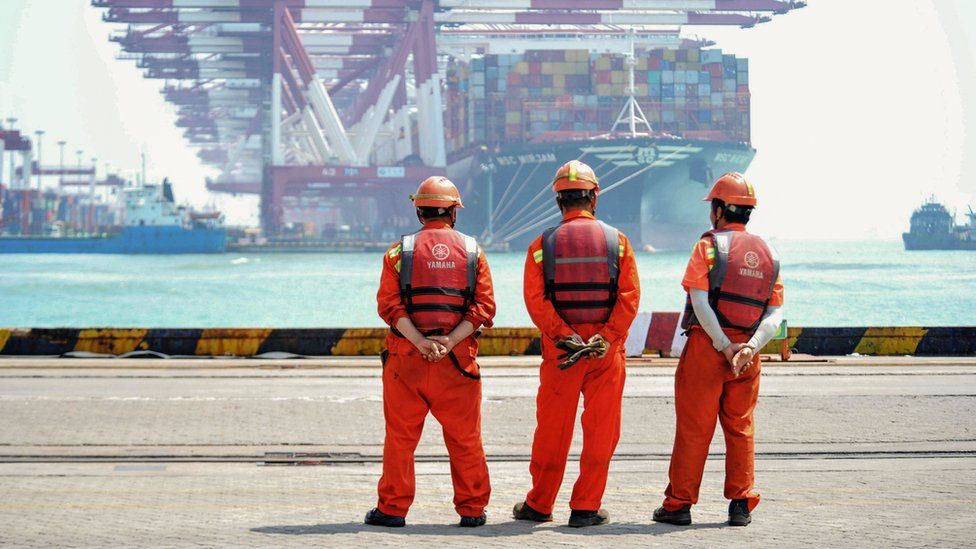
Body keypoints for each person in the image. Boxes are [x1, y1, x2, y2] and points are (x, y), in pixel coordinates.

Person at [512, 160, 640, 528]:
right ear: (594, 196)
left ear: (558, 201)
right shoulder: (618, 242)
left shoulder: (541, 245)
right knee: (601, 431)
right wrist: (607, 336)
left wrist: (564, 334)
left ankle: (538, 505)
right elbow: (629, 297)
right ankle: (585, 508)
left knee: (552, 430)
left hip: (562, 352)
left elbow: (535, 300)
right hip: (604, 352)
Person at [653, 172, 784, 527]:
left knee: (695, 428)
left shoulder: (708, 247)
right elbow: (775, 315)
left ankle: (679, 505)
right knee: (741, 428)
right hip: (747, 355)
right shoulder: (770, 253)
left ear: (720, 209)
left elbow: (699, 300)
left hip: (707, 349)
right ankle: (741, 504)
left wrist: (724, 346)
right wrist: (749, 348)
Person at [366, 176, 496, 528]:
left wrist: (420, 343)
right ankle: (471, 510)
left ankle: (392, 509)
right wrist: (448, 343)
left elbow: (389, 306)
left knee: (400, 439)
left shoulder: (398, 252)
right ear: (454, 211)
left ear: (419, 211)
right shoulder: (473, 251)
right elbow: (483, 308)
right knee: (465, 439)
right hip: (457, 363)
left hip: (406, 361)